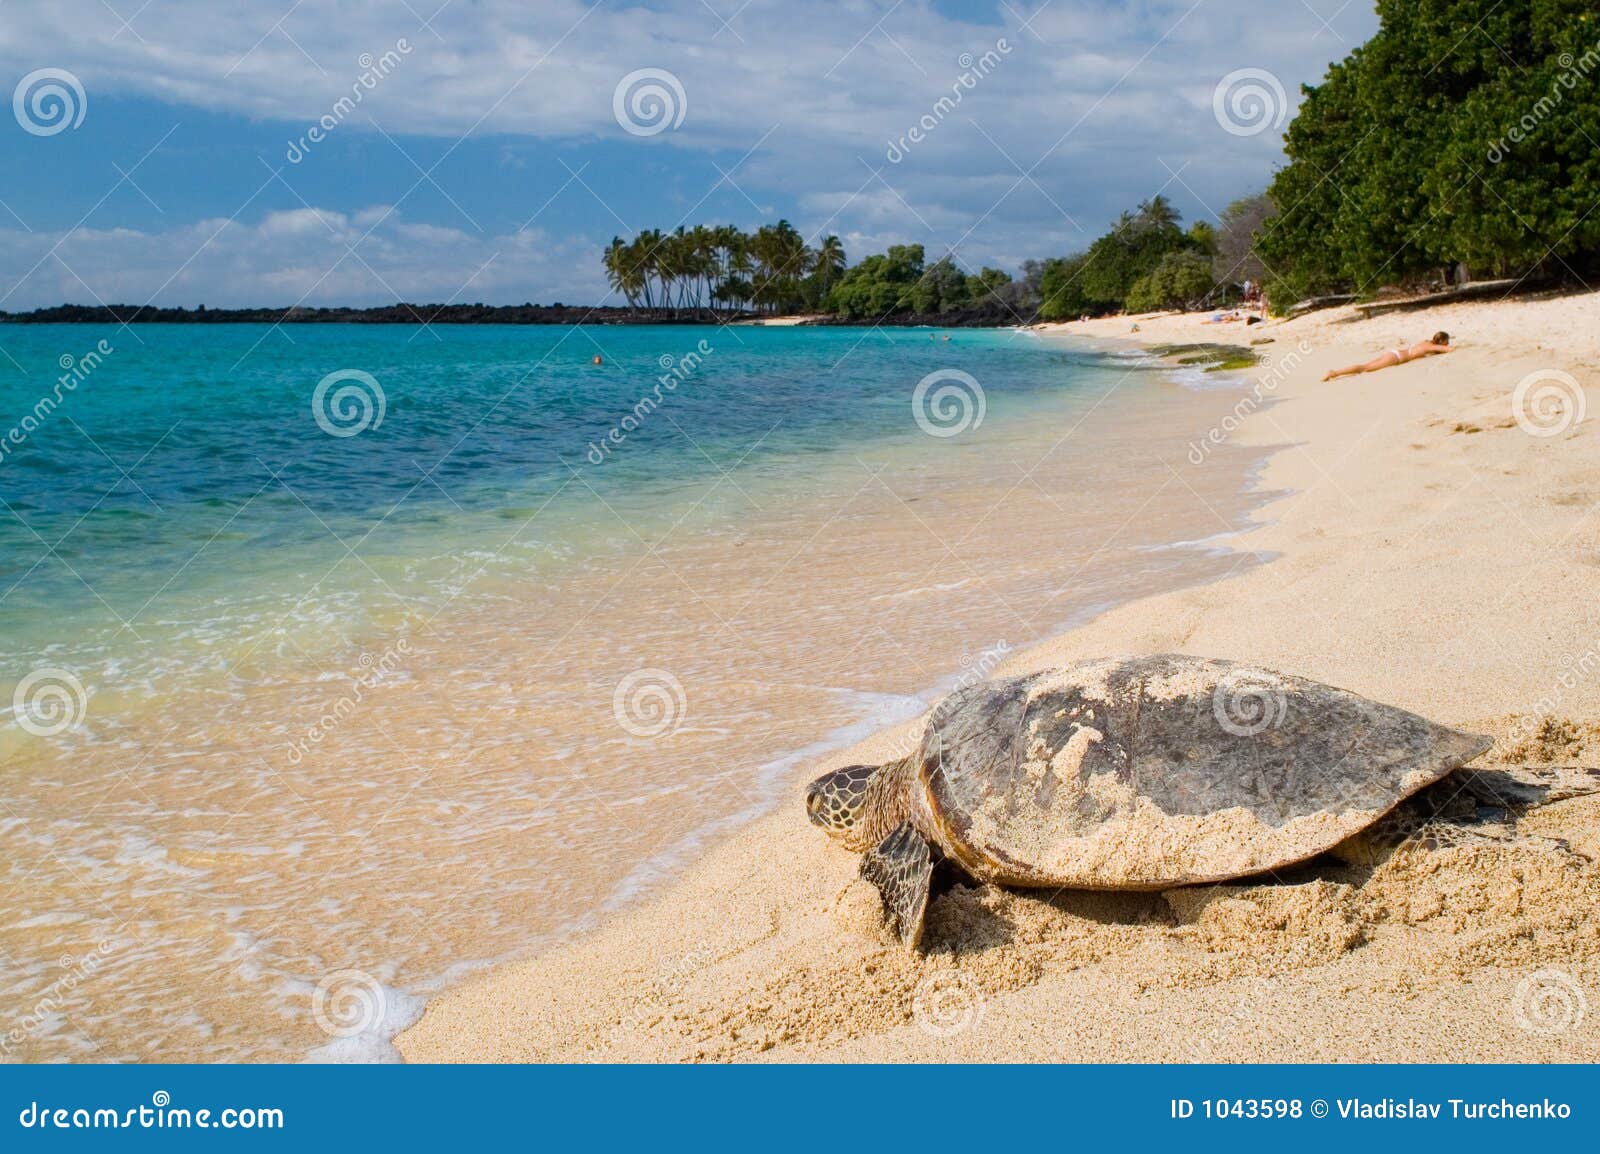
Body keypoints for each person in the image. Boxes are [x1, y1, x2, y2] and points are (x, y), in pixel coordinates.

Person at [1322, 332, 1452, 381]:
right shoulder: (1430, 347)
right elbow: (1449, 350)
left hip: (1393, 353)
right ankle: (1335, 373)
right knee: (1364, 368)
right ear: (1441, 341)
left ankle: (1335, 372)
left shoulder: (1426, 342)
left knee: (1365, 365)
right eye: (1447, 341)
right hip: (1396, 358)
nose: (1448, 343)